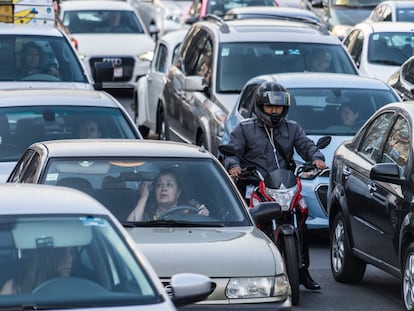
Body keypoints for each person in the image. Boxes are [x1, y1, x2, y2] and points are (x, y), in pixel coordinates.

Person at [221, 81, 326, 291]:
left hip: (284, 185)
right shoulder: (245, 128)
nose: (275, 111)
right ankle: (246, 270)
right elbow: (231, 151)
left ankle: (303, 272)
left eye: (278, 107)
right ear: (261, 107)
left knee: (301, 221)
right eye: (270, 107)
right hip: (255, 184)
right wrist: (234, 166)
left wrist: (317, 158)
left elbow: (306, 145)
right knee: (244, 224)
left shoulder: (293, 128)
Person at [127, 168, 209, 221]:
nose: (164, 189)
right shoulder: (148, 214)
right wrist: (144, 197)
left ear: (178, 192)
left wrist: (203, 215)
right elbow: (130, 228)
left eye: (169, 185)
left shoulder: (189, 212)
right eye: (159, 185)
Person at [0, 247, 74, 295]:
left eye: (71, 252)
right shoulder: (13, 287)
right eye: (62, 253)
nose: (70, 259)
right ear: (47, 257)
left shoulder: (74, 290)